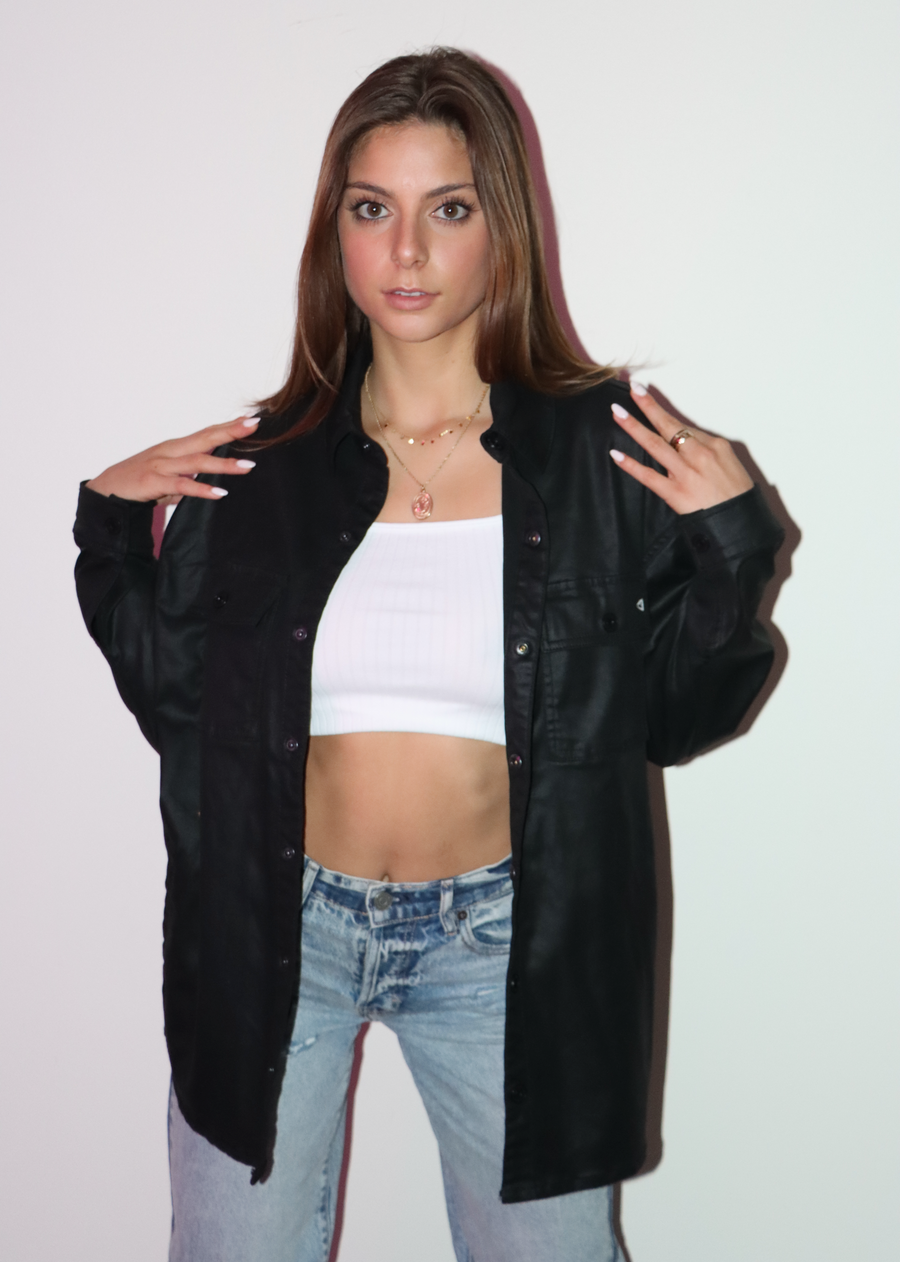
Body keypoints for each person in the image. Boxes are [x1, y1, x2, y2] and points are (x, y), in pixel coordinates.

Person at [74, 47, 784, 1262]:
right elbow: (182, 706)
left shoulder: (601, 455)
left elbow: (675, 716)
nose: (406, 250)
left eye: (447, 209)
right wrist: (108, 531)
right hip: (283, 933)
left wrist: (738, 545)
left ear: (501, 226)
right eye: (373, 208)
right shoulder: (263, 470)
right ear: (335, 233)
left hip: (510, 946)